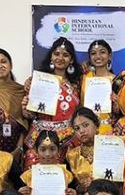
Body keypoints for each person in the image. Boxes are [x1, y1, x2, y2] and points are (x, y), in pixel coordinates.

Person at [24, 37, 82, 165]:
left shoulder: (77, 84)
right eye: (56, 54)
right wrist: (25, 107)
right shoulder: (38, 81)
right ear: (51, 56)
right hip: (40, 138)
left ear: (71, 60)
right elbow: (29, 115)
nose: (60, 58)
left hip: (67, 139)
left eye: (65, 55)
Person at [17, 130, 78, 195]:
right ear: (36, 151)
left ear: (58, 150)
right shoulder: (28, 176)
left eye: (52, 149)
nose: (48, 154)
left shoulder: (67, 176)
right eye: (43, 149)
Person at [83, 39, 119, 134]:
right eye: (93, 53)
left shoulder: (117, 80)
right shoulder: (85, 78)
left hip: (109, 129)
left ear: (109, 56)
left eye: (102, 52)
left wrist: (117, 104)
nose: (98, 56)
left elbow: (120, 112)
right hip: (87, 129)